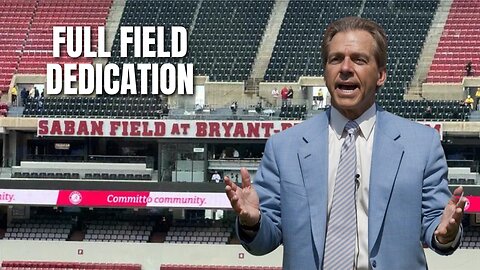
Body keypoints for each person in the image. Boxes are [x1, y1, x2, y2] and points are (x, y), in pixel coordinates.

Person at [225, 17, 465, 270]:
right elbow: (265, 239)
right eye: (336, 59)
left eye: (359, 60)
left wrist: (445, 233)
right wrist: (253, 222)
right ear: (325, 71)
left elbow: (436, 225)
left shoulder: (421, 145)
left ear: (381, 75)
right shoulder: (284, 148)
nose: (346, 68)